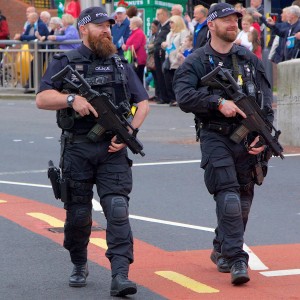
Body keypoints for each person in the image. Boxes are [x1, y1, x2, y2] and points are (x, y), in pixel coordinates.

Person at [36, 6, 149, 297]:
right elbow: (42, 98)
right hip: (78, 148)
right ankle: (79, 262)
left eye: (109, 25)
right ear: (83, 28)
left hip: (113, 149)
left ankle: (120, 275)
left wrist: (130, 133)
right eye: (100, 25)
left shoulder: (119, 64)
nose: (107, 30)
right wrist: (71, 98)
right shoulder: (66, 61)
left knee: (118, 210)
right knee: (77, 215)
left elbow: (143, 102)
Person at [173, 3, 274, 286]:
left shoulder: (248, 58)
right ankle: (236, 258)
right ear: (211, 25)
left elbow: (266, 100)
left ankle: (220, 247)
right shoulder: (196, 61)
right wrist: (217, 103)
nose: (233, 23)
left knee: (242, 201)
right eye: (226, 20)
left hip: (249, 137)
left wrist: (262, 138)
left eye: (236, 19)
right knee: (228, 196)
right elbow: (183, 96)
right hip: (215, 135)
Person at [161, 15, 189, 107]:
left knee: (177, 80)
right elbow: (168, 46)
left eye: (172, 22)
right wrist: (164, 45)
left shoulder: (183, 32)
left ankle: (178, 98)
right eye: (169, 22)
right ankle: (172, 98)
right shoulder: (169, 34)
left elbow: (184, 44)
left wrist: (180, 51)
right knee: (168, 80)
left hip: (178, 61)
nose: (170, 24)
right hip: (169, 60)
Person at [121, 16, 147, 83]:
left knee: (138, 79)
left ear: (135, 24)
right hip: (134, 59)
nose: (129, 25)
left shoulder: (138, 33)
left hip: (138, 60)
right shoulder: (134, 33)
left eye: (130, 23)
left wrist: (125, 47)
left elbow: (135, 46)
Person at [153, 7, 170, 104]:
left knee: (164, 75)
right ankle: (161, 96)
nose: (157, 16)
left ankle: (166, 97)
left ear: (164, 15)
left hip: (163, 53)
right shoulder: (159, 26)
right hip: (156, 52)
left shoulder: (168, 26)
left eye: (159, 14)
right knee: (158, 75)